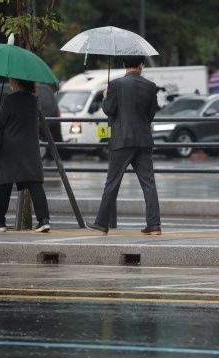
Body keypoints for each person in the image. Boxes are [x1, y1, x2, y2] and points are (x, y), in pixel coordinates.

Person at [87, 55, 161, 235]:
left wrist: (106, 97)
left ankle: (101, 223)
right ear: (142, 65)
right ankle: (154, 225)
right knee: (148, 183)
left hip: (121, 140)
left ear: (123, 65)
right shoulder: (151, 87)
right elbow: (151, 114)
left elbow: (108, 110)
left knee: (112, 183)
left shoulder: (115, 85)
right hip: (143, 139)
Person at [0, 78, 50, 233]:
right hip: (30, 148)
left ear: (17, 83)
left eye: (12, 82)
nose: (11, 84)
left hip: (11, 149)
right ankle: (44, 220)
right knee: (34, 183)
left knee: (2, 183)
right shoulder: (34, 100)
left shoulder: (10, 100)